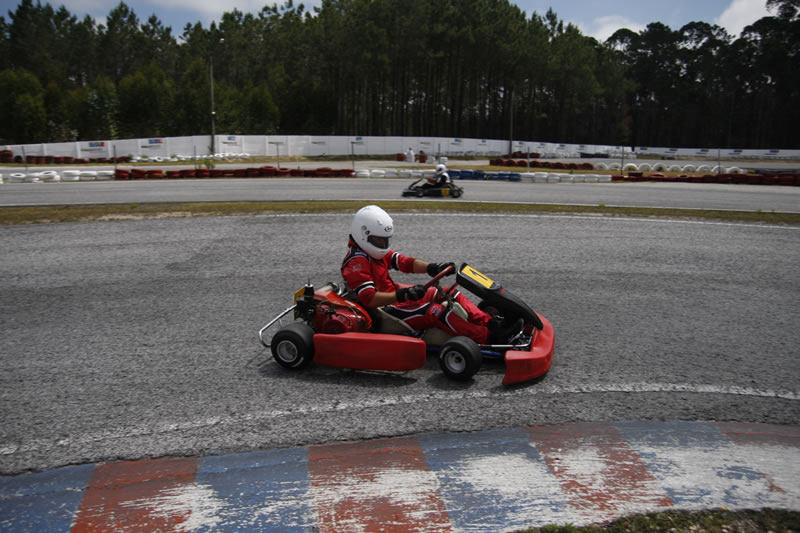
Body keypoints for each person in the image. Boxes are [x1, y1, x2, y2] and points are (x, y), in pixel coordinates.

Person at [341, 205, 523, 345]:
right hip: (386, 314)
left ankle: (491, 323)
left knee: (449, 292)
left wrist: (433, 267)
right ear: (364, 234)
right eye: (379, 240)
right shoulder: (357, 262)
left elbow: (405, 262)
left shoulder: (374, 252)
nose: (383, 243)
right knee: (436, 311)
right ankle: (489, 337)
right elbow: (369, 299)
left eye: (385, 239)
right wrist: (402, 294)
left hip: (397, 300)